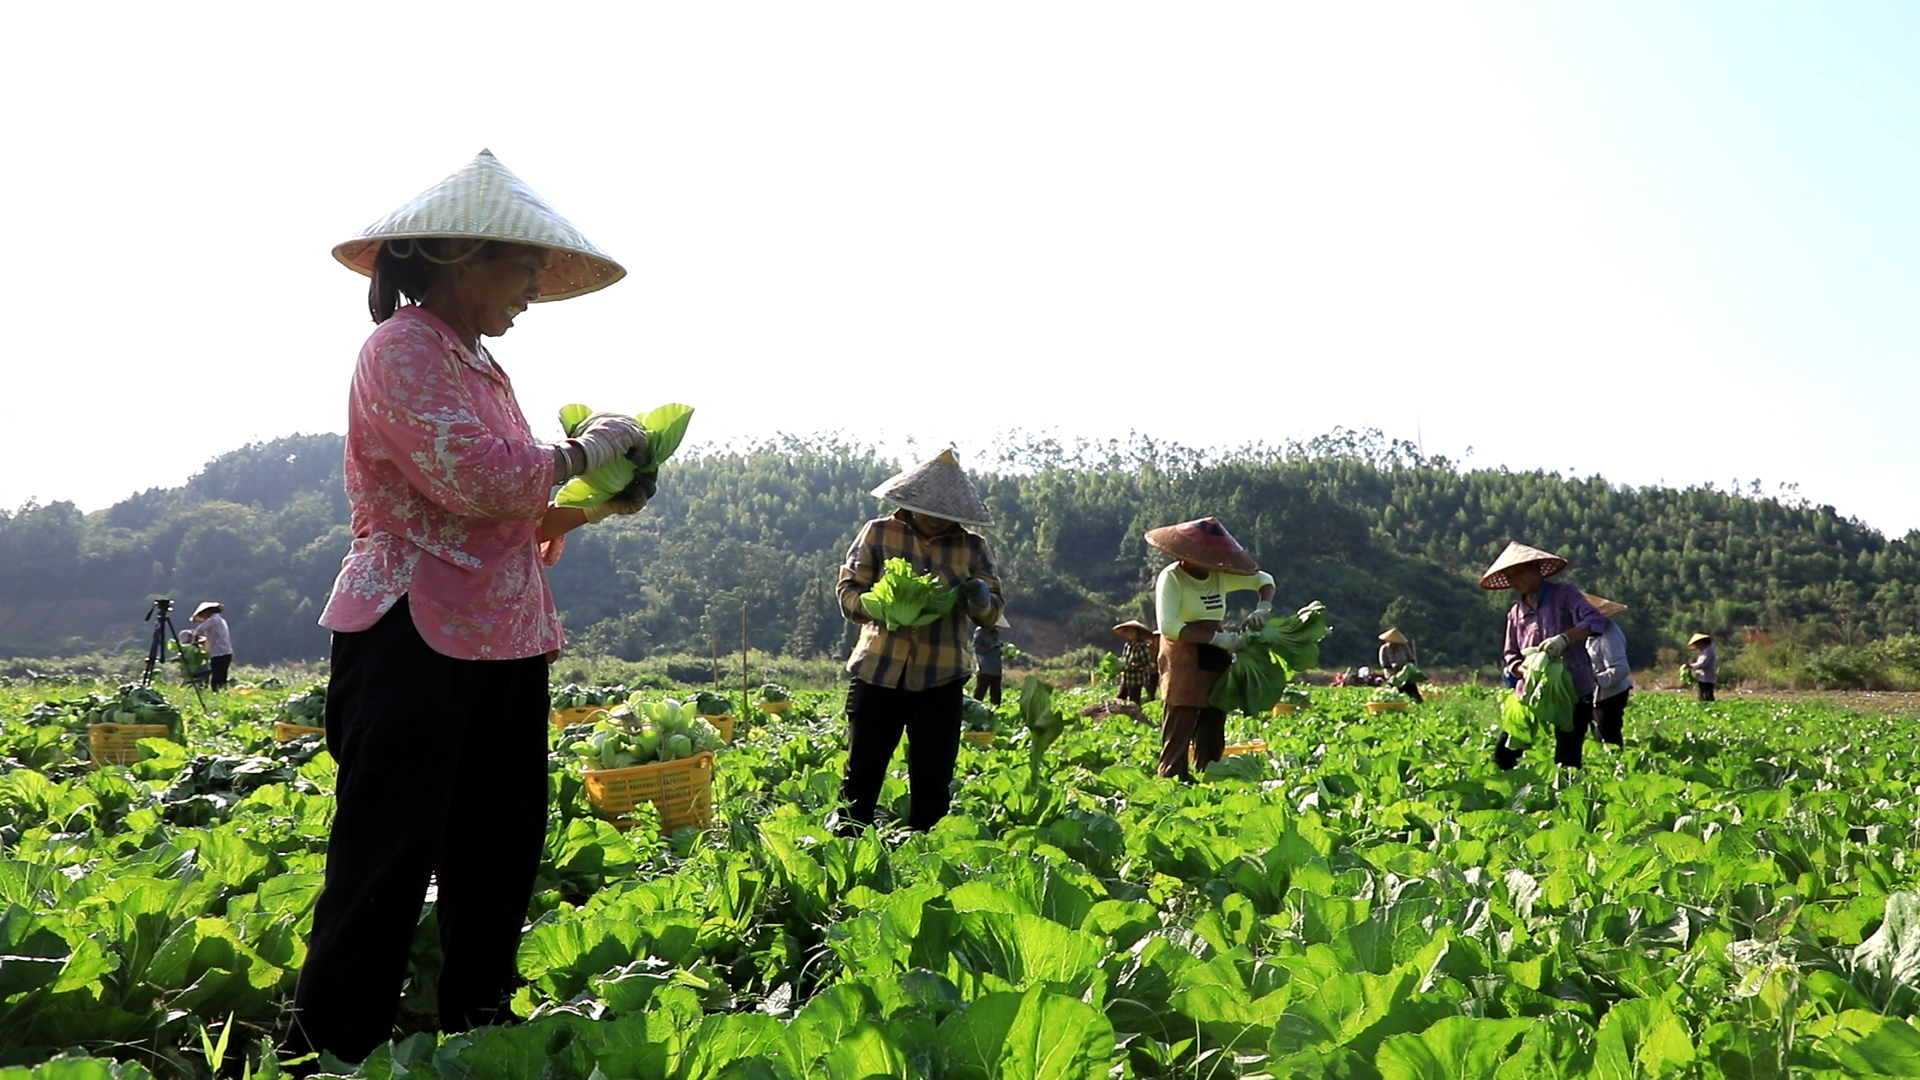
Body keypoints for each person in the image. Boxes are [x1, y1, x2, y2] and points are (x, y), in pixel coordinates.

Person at [286, 151, 647, 1066]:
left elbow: (506, 509)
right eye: (522, 267)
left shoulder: (478, 365)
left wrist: (599, 501)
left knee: (499, 848)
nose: (532, 287)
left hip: (503, 635)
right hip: (415, 633)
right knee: (388, 853)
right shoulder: (401, 350)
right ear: (456, 253)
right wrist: (582, 449)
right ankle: (331, 1045)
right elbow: (479, 477)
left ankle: (479, 1029)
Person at [837, 449, 1003, 833]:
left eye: (942, 513)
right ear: (909, 501)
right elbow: (848, 591)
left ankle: (927, 855)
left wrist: (980, 599)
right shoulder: (878, 532)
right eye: (926, 508)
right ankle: (847, 845)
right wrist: (879, 606)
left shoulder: (972, 546)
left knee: (933, 775)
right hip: (878, 669)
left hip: (941, 677)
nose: (933, 518)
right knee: (863, 770)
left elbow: (993, 612)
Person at [1148, 518, 1275, 781]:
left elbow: (1264, 580)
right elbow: (1169, 626)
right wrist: (1220, 639)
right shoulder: (1172, 578)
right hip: (1182, 653)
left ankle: (1209, 773)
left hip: (1215, 653)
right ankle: (1172, 776)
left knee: (1214, 717)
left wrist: (1263, 607)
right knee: (1181, 716)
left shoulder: (1218, 575)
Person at [1481, 541, 1609, 770]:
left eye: (1520, 571)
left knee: (1568, 756)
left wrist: (1564, 639)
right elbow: (1510, 655)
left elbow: (1595, 620)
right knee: (1505, 752)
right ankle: (1502, 791)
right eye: (1510, 576)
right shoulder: (1515, 613)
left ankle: (1568, 799)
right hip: (1531, 690)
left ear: (1537, 569)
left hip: (1573, 687)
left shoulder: (1565, 595)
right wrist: (1524, 670)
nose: (1516, 580)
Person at [1583, 592, 1632, 748]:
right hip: (1596, 694)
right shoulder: (1590, 634)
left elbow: (1621, 669)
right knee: (1598, 735)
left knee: (1608, 737)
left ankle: (1616, 766)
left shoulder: (1609, 634)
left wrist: (1595, 679)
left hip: (1611, 694)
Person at [189, 602, 234, 690]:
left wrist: (195, 639)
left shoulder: (213, 620)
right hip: (226, 652)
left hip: (218, 652)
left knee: (216, 676)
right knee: (222, 675)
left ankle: (216, 692)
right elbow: (216, 637)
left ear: (207, 612)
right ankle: (222, 691)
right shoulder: (221, 620)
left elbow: (199, 629)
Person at [1113, 620, 1159, 704]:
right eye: (1128, 632)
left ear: (1137, 633)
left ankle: (1137, 716)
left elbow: (1145, 664)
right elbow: (1124, 659)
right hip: (1127, 678)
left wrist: (1131, 666)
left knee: (1134, 701)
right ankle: (1119, 715)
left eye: (1132, 632)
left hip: (1136, 679)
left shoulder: (1141, 646)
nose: (1129, 634)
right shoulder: (1128, 645)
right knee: (1120, 698)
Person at [972, 613, 1010, 706]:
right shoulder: (980, 632)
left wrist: (1004, 651)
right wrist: (992, 646)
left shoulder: (995, 633)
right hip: (985, 668)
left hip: (996, 669)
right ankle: (972, 713)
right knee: (979, 694)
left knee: (996, 695)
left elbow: (997, 649)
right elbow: (978, 650)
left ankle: (995, 714)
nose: (996, 627)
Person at [1377, 627, 1421, 703]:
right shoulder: (1384, 648)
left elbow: (1411, 659)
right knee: (1393, 694)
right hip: (1392, 676)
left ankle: (1418, 704)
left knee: (1413, 692)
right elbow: (1383, 663)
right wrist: (1392, 666)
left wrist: (1407, 666)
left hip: (1405, 674)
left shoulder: (1404, 647)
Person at [1686, 632, 1718, 702]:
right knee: (1702, 697)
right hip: (1702, 678)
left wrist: (1691, 666)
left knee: (1707, 697)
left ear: (1701, 642)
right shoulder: (1705, 651)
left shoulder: (1708, 651)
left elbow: (1703, 664)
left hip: (1707, 678)